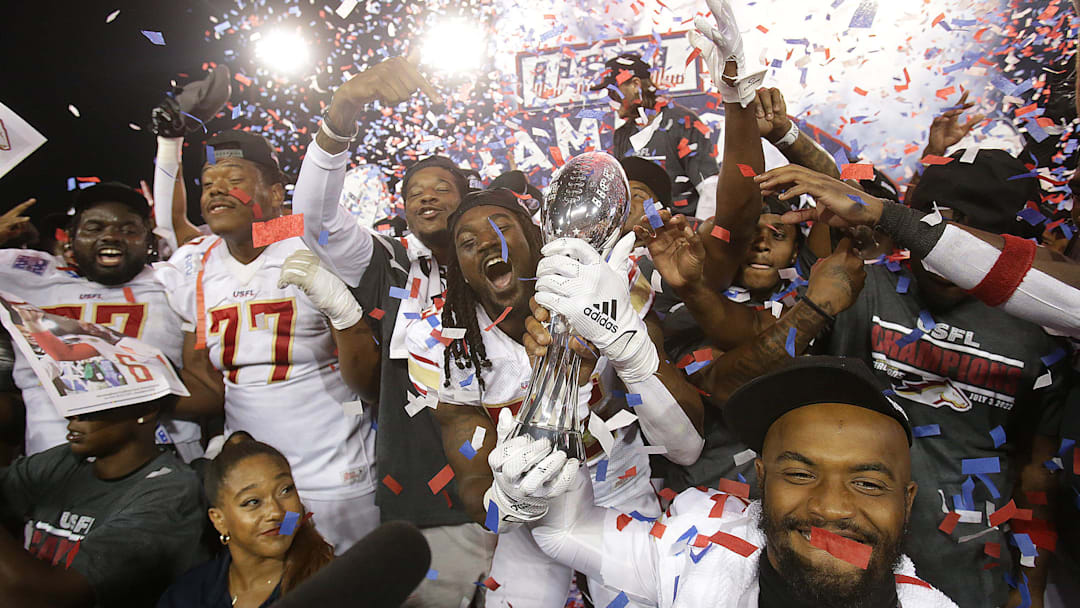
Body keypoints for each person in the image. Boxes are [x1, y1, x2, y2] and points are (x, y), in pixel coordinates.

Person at [759, 158, 1069, 606]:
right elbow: (766, 369)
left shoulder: (1038, 333)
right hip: (839, 562)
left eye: (973, 236)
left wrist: (1032, 589)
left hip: (963, 573)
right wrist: (817, 306)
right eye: (943, 229)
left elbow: (1036, 474)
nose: (947, 261)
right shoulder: (857, 286)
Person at [406, 182, 703, 607]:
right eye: (468, 242)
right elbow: (473, 480)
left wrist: (628, 343)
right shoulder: (440, 342)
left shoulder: (598, 290)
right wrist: (504, 501)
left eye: (500, 227)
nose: (486, 241)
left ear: (533, 237)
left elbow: (686, 446)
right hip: (531, 510)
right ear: (460, 267)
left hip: (615, 483)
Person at [496, 356, 956, 607]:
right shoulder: (694, 558)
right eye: (799, 474)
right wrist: (536, 487)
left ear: (907, 500)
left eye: (869, 484)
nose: (831, 508)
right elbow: (566, 532)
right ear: (761, 481)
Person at [291, 53, 499, 604]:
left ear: (468, 200)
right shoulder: (384, 263)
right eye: (414, 193)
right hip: (424, 494)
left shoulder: (502, 264)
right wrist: (342, 112)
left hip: (518, 484)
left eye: (441, 188)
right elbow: (313, 220)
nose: (426, 196)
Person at [160, 130, 382, 554]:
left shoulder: (312, 240)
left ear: (276, 191)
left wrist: (341, 310)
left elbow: (371, 385)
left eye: (233, 179)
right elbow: (178, 230)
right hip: (252, 484)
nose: (217, 191)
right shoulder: (199, 260)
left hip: (335, 473)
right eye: (207, 184)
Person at [760, 159, 1080, 339]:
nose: (942, 265)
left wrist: (886, 214)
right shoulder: (856, 288)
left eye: (980, 238)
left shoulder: (1041, 334)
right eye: (940, 222)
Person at [0, 182, 203, 461]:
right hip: (54, 473)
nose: (111, 236)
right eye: (94, 228)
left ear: (148, 238)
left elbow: (210, 392)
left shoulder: (173, 282)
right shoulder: (26, 276)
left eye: (128, 229)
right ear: (71, 237)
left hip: (158, 465)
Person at [0, 394, 206, 607]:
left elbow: (39, 597)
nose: (73, 414)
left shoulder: (171, 493)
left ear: (146, 410)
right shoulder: (68, 461)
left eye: (93, 403)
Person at [158, 433, 334, 608]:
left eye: (286, 490)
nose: (275, 512)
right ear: (219, 520)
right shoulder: (187, 596)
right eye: (253, 502)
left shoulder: (334, 584)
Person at [594, 52, 721, 217]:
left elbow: (709, 186)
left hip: (681, 231)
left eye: (614, 93)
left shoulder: (681, 122)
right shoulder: (622, 135)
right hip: (643, 234)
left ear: (635, 85)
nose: (610, 100)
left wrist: (698, 236)